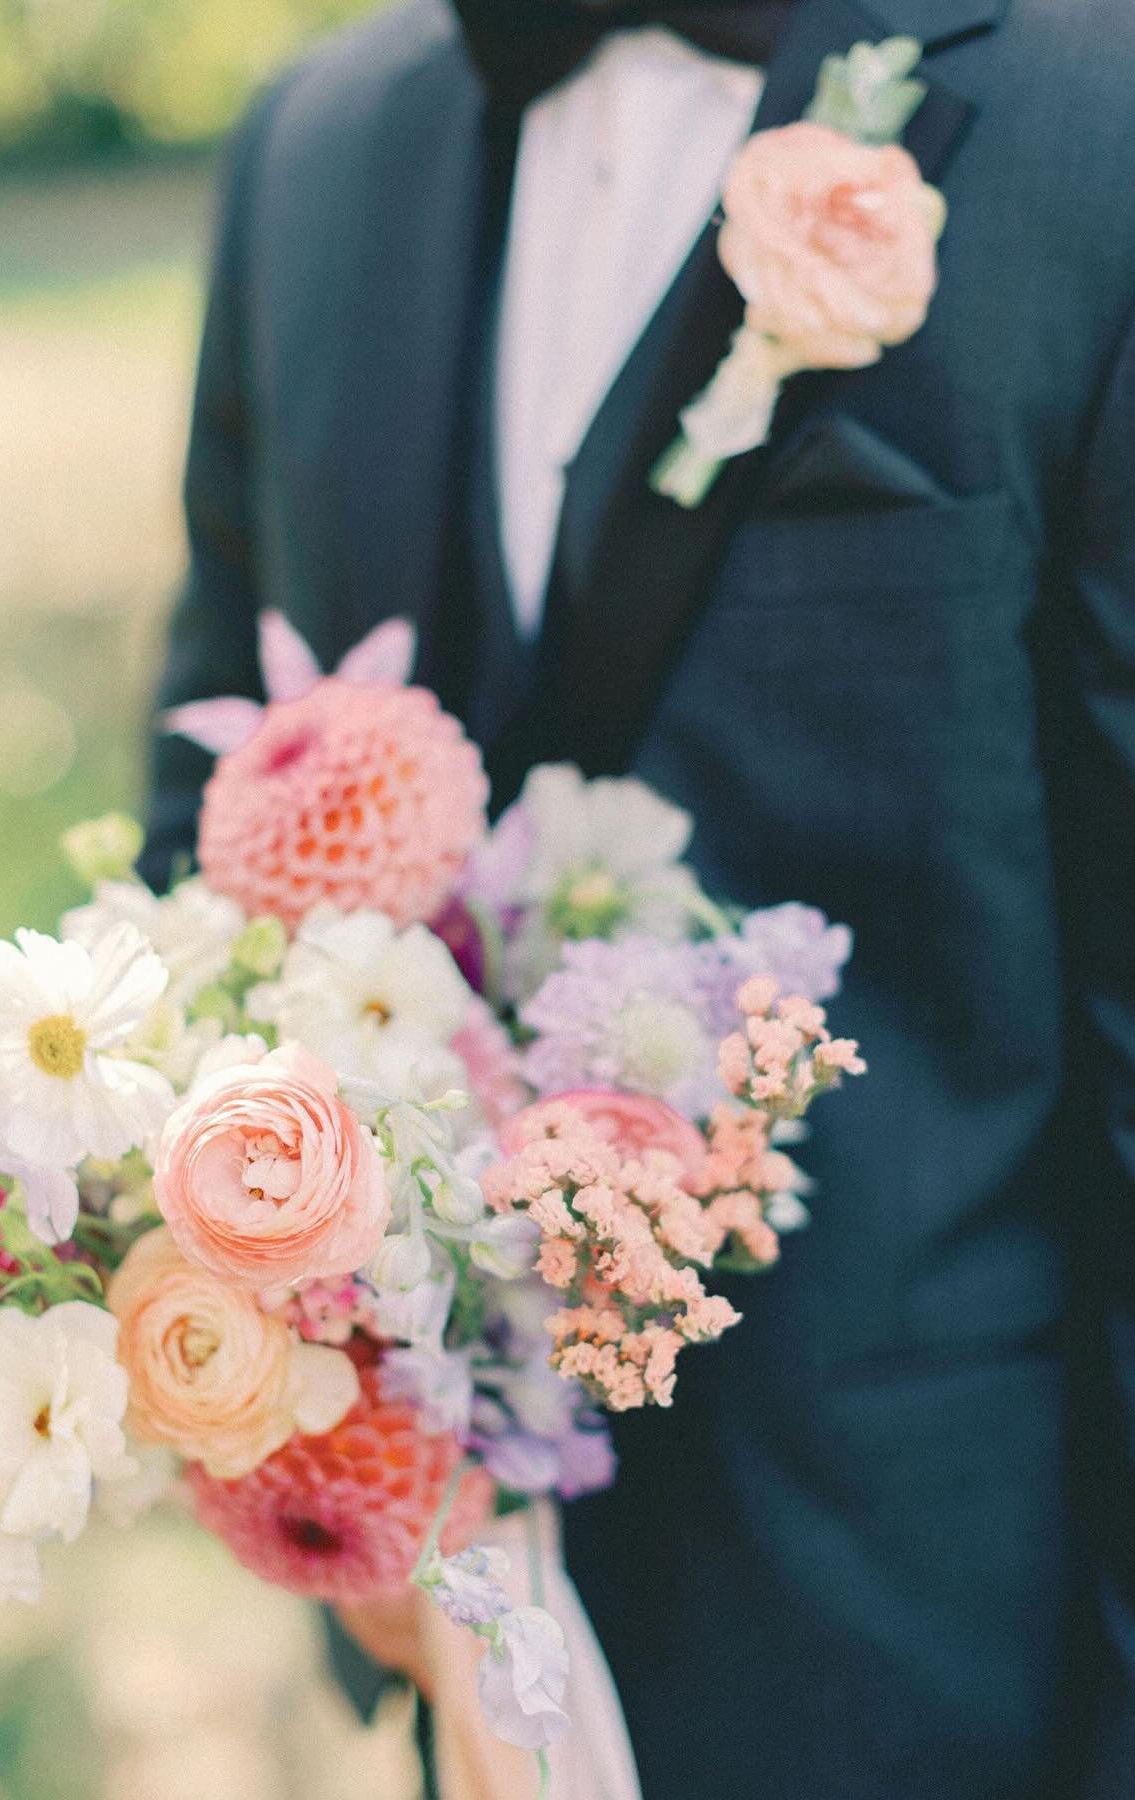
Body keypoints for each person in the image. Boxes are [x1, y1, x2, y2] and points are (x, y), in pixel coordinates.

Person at [138, 1, 1135, 1794]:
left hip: (952, 1638)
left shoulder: (1100, 122)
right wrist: (310, 1446)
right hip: (452, 1619)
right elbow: (199, 853)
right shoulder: (314, 147)